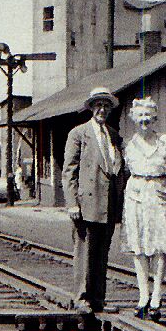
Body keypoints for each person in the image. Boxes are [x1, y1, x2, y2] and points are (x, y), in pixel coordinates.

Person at [62, 87, 124, 314]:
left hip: (108, 203)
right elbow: (69, 171)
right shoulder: (78, 134)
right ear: (91, 108)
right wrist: (72, 203)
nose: (102, 109)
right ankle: (81, 298)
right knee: (84, 253)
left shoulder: (113, 135)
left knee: (102, 253)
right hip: (86, 203)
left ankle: (98, 299)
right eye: (98, 105)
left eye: (106, 106)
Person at [122, 97, 166, 321]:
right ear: (133, 118)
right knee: (138, 246)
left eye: (148, 115)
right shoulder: (129, 145)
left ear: (154, 117)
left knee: (160, 246)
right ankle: (143, 295)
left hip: (160, 194)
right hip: (136, 196)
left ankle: (157, 295)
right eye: (140, 116)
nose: (144, 120)